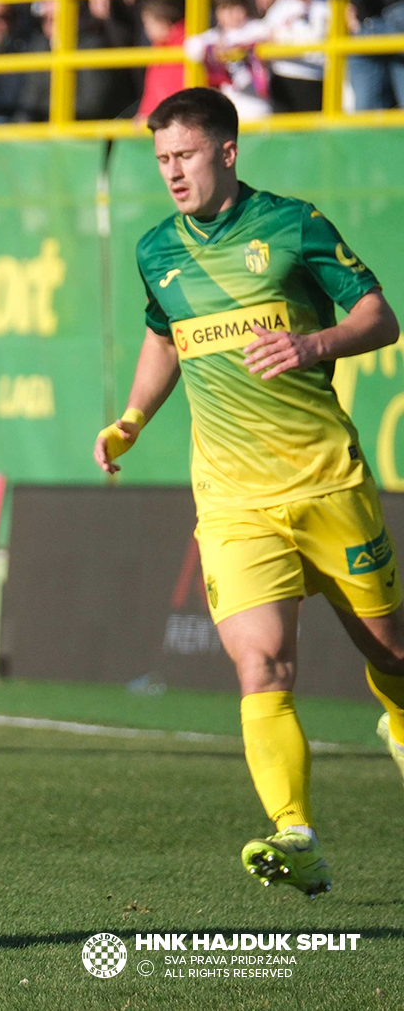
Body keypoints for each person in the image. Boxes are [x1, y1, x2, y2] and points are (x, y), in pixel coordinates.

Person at [94, 87, 404, 898]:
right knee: (262, 663)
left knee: (391, 654)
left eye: (185, 156)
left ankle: (397, 717)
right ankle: (295, 832)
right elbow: (166, 336)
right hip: (233, 502)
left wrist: (316, 343)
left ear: (227, 152)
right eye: (161, 159)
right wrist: (131, 419)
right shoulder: (157, 249)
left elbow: (381, 315)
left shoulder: (293, 223)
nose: (172, 173)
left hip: (326, 481)